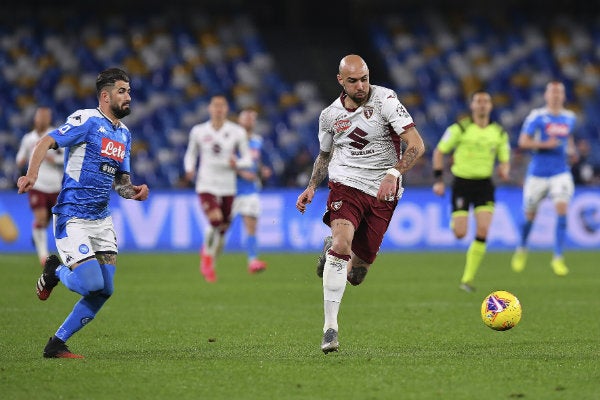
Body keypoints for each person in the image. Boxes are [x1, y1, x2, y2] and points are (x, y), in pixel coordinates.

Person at [295, 54, 425, 354]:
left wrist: (394, 173)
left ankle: (332, 253)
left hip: (383, 191)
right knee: (342, 246)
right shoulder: (329, 116)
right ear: (341, 81)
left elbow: (416, 143)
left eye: (364, 78)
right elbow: (325, 155)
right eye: (353, 81)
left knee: (356, 274)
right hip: (346, 185)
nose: (361, 85)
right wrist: (311, 186)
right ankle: (330, 328)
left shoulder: (386, 101)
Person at [17, 68, 149, 358]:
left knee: (105, 289)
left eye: (129, 91)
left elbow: (121, 184)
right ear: (105, 96)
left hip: (101, 220)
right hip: (72, 215)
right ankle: (55, 270)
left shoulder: (124, 134)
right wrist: (32, 175)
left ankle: (56, 343)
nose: (129, 97)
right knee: (91, 283)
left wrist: (134, 191)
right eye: (122, 91)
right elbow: (45, 141)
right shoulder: (86, 120)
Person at [432, 90, 511, 293]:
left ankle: (467, 279)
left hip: (484, 185)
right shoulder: (460, 128)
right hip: (462, 184)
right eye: (479, 101)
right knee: (460, 233)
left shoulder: (499, 132)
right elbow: (440, 151)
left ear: (491, 106)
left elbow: (504, 158)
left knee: (483, 230)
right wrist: (439, 180)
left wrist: (504, 169)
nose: (483, 104)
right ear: (472, 106)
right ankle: (455, 219)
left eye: (486, 101)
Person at [511, 81, 577, 276]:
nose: (556, 96)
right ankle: (522, 247)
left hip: (560, 172)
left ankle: (558, 258)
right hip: (537, 173)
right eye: (552, 92)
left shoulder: (570, 117)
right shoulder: (537, 116)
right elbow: (523, 141)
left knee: (562, 209)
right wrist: (546, 144)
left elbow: (568, 139)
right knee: (530, 216)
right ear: (546, 96)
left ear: (563, 96)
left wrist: (571, 150)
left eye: (559, 92)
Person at [184, 95, 252, 283]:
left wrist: (237, 162)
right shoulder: (198, 131)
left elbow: (247, 159)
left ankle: (211, 260)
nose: (219, 109)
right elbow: (191, 154)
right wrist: (190, 169)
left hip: (227, 185)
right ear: (210, 108)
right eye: (216, 106)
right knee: (215, 221)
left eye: (222, 106)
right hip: (206, 183)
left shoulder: (237, 131)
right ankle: (206, 258)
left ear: (227, 109)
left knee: (222, 229)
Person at [16, 106, 64, 265]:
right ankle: (43, 256)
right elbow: (19, 158)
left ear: (49, 119)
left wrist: (54, 160)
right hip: (37, 184)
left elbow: (66, 158)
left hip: (56, 186)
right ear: (35, 118)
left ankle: (38, 235)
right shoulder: (28, 139)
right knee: (41, 218)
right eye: (40, 116)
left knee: (56, 221)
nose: (42, 119)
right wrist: (22, 161)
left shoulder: (57, 135)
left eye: (45, 116)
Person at [232, 108, 270, 273]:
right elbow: (226, 160)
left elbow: (257, 162)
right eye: (246, 117)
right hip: (230, 189)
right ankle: (209, 257)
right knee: (220, 227)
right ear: (239, 121)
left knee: (251, 226)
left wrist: (262, 170)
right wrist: (241, 172)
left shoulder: (257, 140)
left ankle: (252, 260)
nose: (249, 120)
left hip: (250, 190)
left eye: (252, 118)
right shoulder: (232, 139)